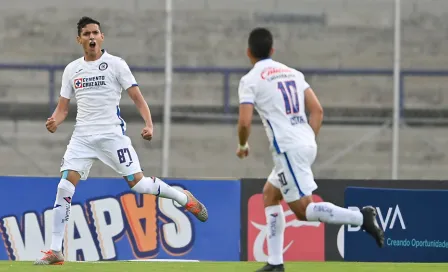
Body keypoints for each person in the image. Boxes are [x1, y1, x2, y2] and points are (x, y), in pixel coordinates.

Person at [34, 16, 208, 265]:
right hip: (82, 138)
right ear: (79, 39)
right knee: (64, 187)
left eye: (95, 32)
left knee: (139, 185)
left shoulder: (116, 65)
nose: (91, 37)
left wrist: (148, 123)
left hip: (112, 136)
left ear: (102, 37)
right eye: (86, 34)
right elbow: (62, 108)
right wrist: (54, 120)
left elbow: (137, 97)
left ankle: (183, 198)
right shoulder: (72, 70)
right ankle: (55, 251)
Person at [236, 27, 384, 272]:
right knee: (270, 194)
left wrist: (242, 145)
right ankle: (275, 263)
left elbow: (243, 122)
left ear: (248, 52)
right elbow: (317, 110)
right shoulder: (293, 73)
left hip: (287, 149)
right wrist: (307, 140)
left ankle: (361, 217)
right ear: (272, 50)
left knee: (303, 210)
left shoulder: (250, 80)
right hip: (304, 142)